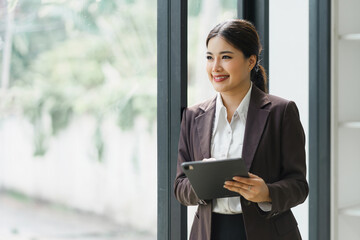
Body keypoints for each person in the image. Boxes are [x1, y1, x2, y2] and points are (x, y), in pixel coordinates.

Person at [174, 19, 309, 240]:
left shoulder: (282, 112)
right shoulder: (193, 116)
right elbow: (179, 187)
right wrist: (202, 184)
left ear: (250, 61)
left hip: (267, 233)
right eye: (209, 57)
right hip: (209, 232)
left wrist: (266, 192)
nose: (215, 67)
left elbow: (299, 185)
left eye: (226, 57)